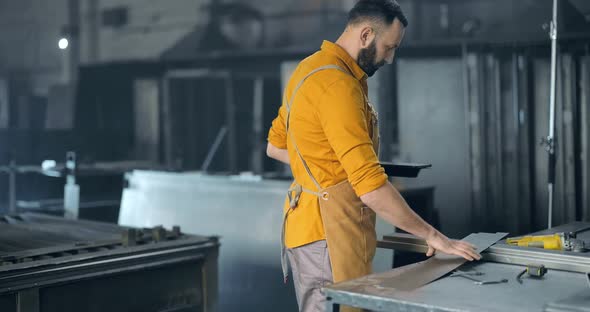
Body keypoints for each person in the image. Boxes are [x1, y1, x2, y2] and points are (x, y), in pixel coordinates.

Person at [266, 1, 481, 311]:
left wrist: (334, 167)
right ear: (366, 34)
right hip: (329, 235)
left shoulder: (309, 68)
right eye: (389, 47)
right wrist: (434, 237)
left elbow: (276, 147)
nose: (390, 58)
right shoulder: (338, 86)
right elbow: (369, 187)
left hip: (309, 229)